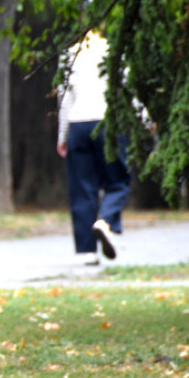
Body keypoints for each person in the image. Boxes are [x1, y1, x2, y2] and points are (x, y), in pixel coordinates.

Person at [56, 30, 132, 264]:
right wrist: (146, 119)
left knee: (82, 188)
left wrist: (62, 135)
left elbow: (64, 97)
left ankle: (86, 251)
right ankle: (105, 221)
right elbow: (127, 89)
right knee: (118, 180)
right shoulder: (114, 51)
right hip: (106, 122)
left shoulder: (69, 54)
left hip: (77, 124)